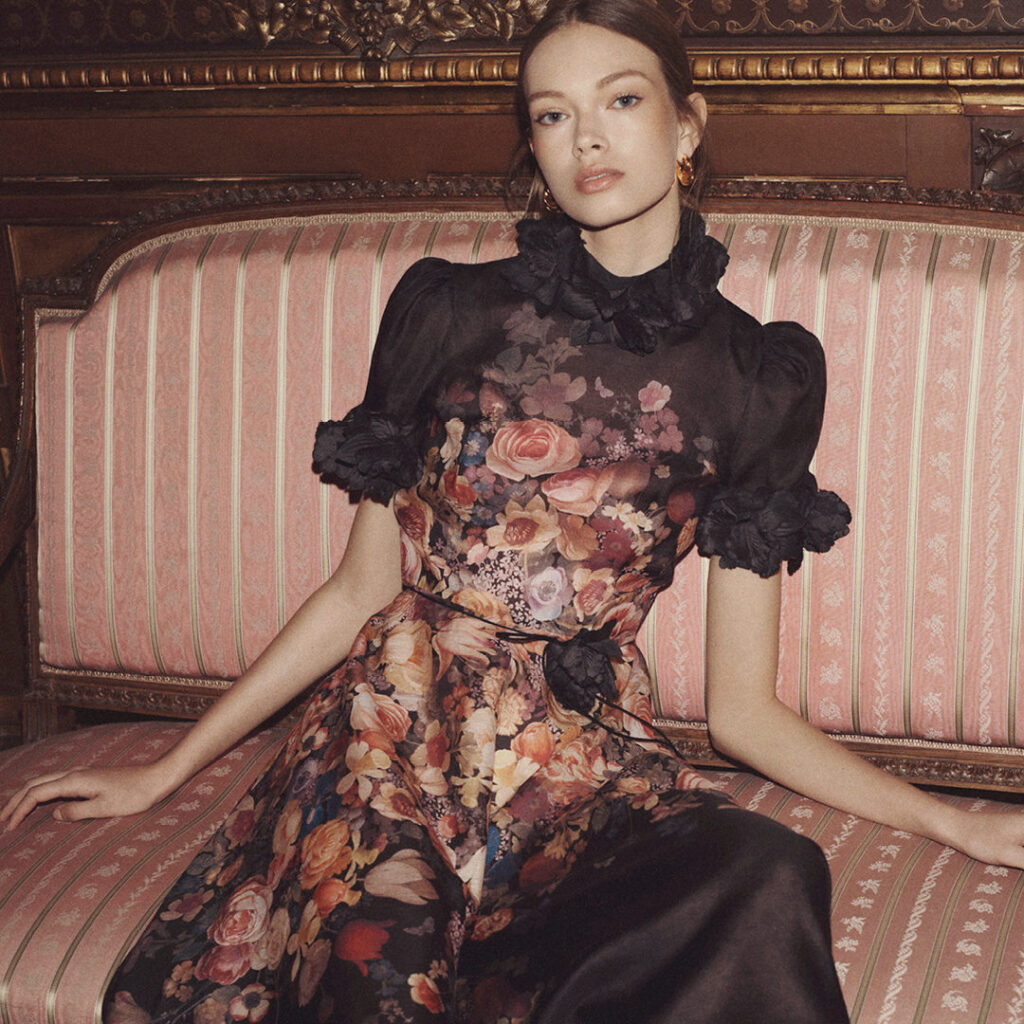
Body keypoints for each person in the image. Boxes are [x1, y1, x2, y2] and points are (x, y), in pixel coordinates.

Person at [5, 0, 1024, 1020]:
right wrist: (169, 769)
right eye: (552, 114)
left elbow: (742, 713)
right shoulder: (449, 311)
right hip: (393, 740)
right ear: (533, 146)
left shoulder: (758, 376)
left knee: (764, 870)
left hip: (574, 769)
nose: (586, 138)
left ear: (685, 126)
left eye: (620, 101)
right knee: (385, 967)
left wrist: (957, 823)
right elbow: (359, 589)